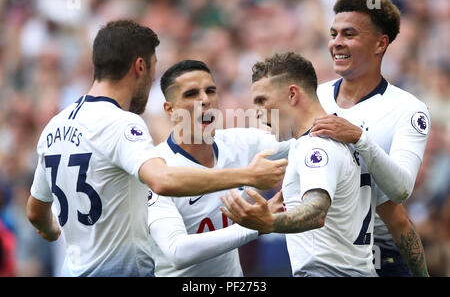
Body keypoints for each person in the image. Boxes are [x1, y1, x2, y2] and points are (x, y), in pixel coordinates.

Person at [26, 20, 287, 277]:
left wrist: (51, 230)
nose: (152, 81)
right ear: (140, 66)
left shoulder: (55, 126)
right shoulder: (121, 124)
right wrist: (248, 176)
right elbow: (161, 180)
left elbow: (36, 211)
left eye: (210, 91)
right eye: (153, 70)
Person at [222, 52, 379, 276]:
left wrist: (269, 222)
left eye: (261, 100)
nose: (257, 112)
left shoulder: (316, 146)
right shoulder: (335, 141)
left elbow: (316, 211)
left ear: (292, 95)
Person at [310, 0, 430, 276]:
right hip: (320, 252)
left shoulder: (408, 109)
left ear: (380, 43)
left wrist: (359, 138)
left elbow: (400, 188)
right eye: (333, 33)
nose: (336, 43)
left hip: (381, 257)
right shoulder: (314, 97)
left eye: (349, 34)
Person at [147, 59, 291, 277]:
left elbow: (302, 139)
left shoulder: (238, 143)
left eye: (210, 90)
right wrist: (257, 225)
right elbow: (177, 251)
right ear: (170, 109)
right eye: (191, 94)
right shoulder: (155, 167)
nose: (205, 100)